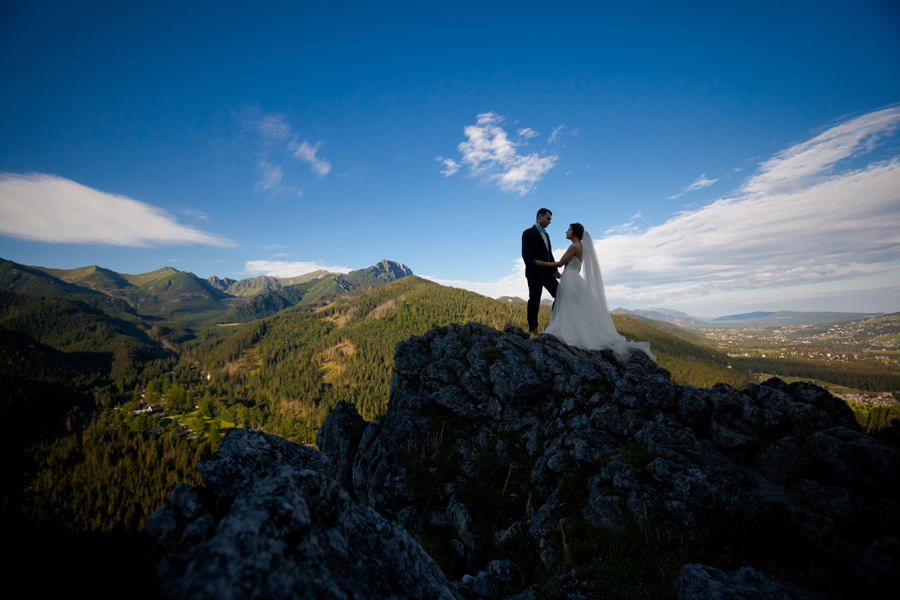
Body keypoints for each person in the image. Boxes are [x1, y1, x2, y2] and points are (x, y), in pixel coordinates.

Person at [535, 223, 656, 362]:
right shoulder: (582, 248)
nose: (566, 232)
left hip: (570, 280)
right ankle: (580, 333)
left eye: (569, 229)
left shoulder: (574, 246)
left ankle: (570, 335)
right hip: (573, 278)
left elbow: (560, 263)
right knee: (572, 306)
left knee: (568, 306)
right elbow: (575, 268)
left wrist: (541, 263)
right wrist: (561, 276)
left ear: (574, 232)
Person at [522, 208, 559, 335]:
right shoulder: (528, 233)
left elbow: (549, 254)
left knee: (561, 295)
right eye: (548, 218)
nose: (549, 222)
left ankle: (554, 326)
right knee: (534, 300)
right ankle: (533, 331)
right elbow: (526, 255)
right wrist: (533, 273)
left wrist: (555, 270)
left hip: (549, 274)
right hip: (535, 274)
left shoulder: (546, 235)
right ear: (540, 216)